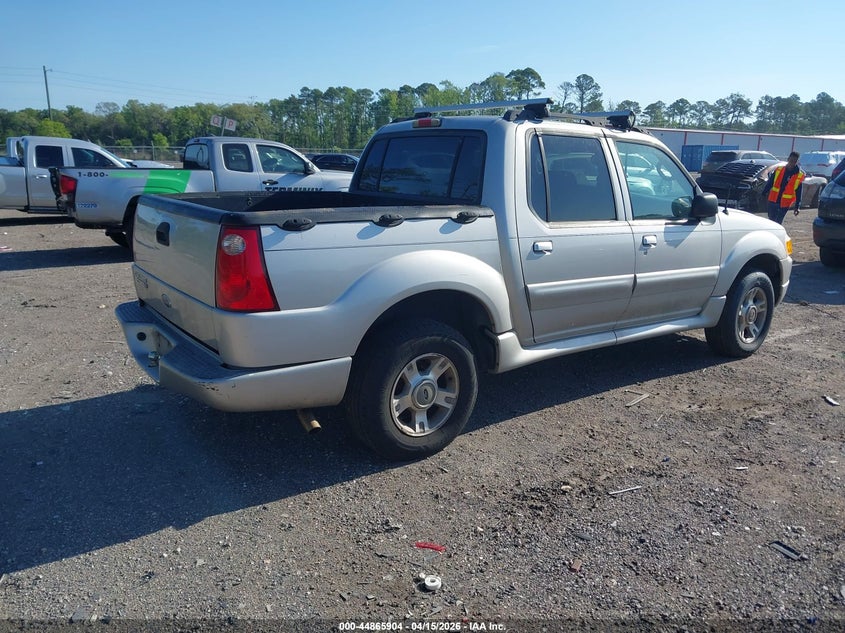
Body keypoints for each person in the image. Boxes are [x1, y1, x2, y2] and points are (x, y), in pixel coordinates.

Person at [761, 152, 804, 224]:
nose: (792, 163)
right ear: (788, 159)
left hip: (785, 204)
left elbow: (799, 192)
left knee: (778, 222)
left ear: (797, 162)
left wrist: (797, 207)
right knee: (771, 221)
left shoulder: (799, 175)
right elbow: (770, 183)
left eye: (794, 161)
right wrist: (764, 193)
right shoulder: (779, 170)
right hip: (773, 200)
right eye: (791, 161)